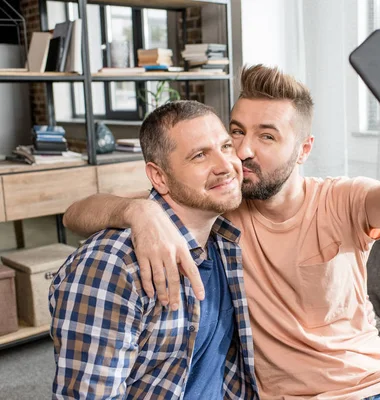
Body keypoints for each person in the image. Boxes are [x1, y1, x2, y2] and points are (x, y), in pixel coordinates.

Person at [64, 64, 380, 399]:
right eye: (237, 133)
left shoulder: (341, 200)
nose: (243, 153)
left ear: (304, 149)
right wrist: (137, 211)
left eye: (267, 136)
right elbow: (76, 213)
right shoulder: (219, 205)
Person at [49, 101, 258, 399]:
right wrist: (137, 211)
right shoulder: (113, 265)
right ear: (159, 177)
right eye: (199, 155)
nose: (226, 166)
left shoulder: (223, 239)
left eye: (226, 146)